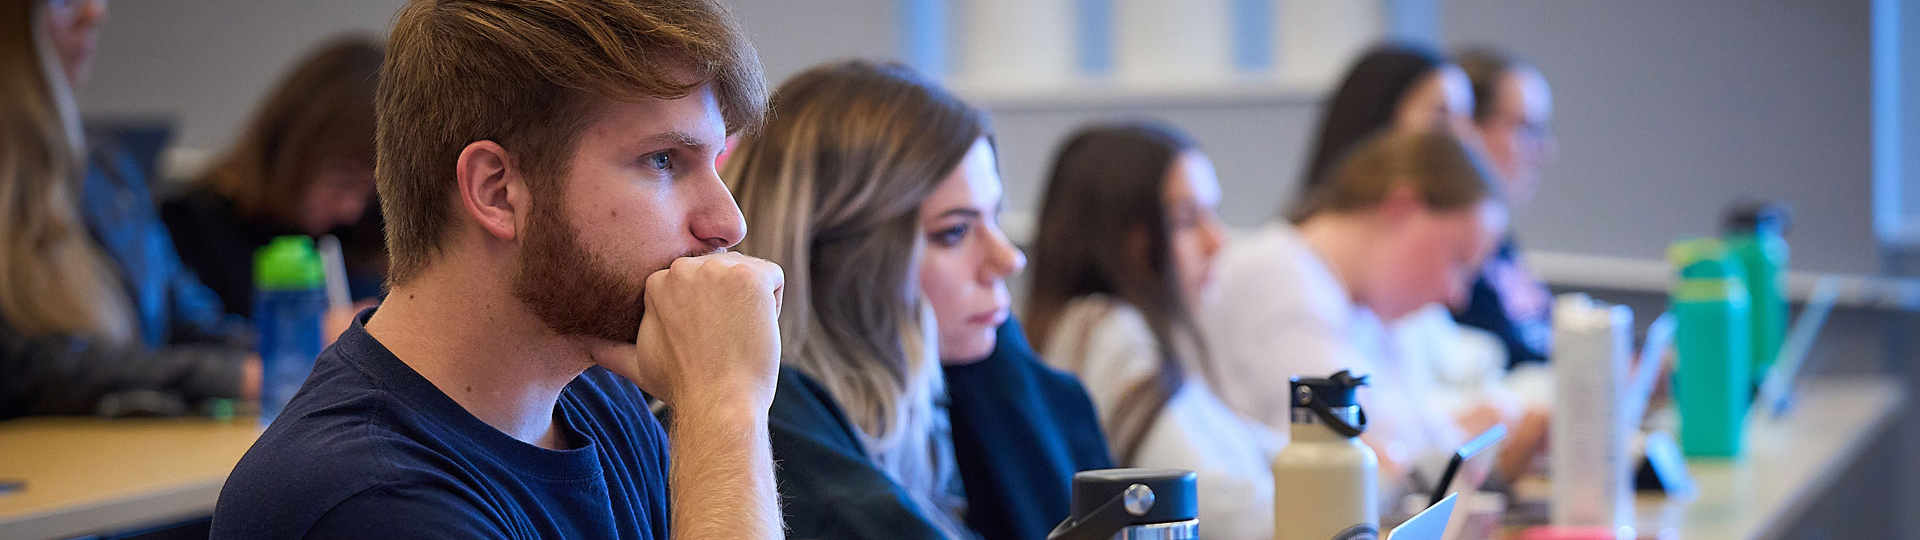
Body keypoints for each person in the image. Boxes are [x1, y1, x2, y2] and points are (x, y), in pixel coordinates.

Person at [210, 0, 783, 538]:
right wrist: (726, 406)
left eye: (711, 162)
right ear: (498, 191)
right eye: (663, 161)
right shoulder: (366, 497)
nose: (728, 224)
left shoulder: (603, 404)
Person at [725, 59, 1110, 540]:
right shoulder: (770, 429)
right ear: (842, 261)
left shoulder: (954, 387)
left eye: (994, 217)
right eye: (955, 232)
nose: (1009, 259)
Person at [1204, 131, 1507, 500]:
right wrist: (1456, 430)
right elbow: (1360, 440)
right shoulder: (1279, 275)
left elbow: (1401, 433)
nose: (1455, 295)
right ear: (1402, 207)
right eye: (1457, 259)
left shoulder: (1356, 300)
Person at [1, 0, 257, 418]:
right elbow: (30, 370)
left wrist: (303, 352)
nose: (95, 12)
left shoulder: (107, 170)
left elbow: (190, 323)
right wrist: (227, 376)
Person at [1025, 121, 1277, 540]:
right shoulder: (1107, 328)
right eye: (1186, 219)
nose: (1217, 241)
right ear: (1122, 237)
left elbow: (1257, 449)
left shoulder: (1126, 328)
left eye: (1212, 214)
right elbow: (1223, 513)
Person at [162, 36, 386, 317]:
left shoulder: (360, 237)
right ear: (292, 147)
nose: (350, 209)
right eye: (342, 178)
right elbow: (198, 345)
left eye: (367, 191)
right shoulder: (190, 228)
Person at [1452, 47, 1559, 370]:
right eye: (1527, 128)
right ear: (1468, 130)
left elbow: (1544, 337)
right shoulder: (1449, 251)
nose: (1545, 151)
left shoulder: (1498, 239)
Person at [1295, 43, 1475, 205]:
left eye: (1466, 118)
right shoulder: (1302, 238)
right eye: (1441, 116)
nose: (1466, 138)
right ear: (1379, 121)